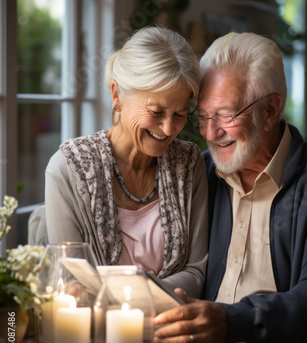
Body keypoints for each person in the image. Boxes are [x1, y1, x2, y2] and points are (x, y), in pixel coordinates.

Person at [153, 31, 307, 343]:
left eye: (225, 116)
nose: (209, 134)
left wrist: (230, 321)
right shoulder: (200, 174)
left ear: (271, 110)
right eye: (203, 117)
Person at [44, 25, 208, 297]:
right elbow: (71, 281)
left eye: (180, 114)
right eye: (156, 111)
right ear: (117, 96)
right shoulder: (67, 168)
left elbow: (195, 271)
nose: (168, 129)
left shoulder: (190, 164)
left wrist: (133, 298)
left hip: (170, 329)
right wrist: (145, 297)